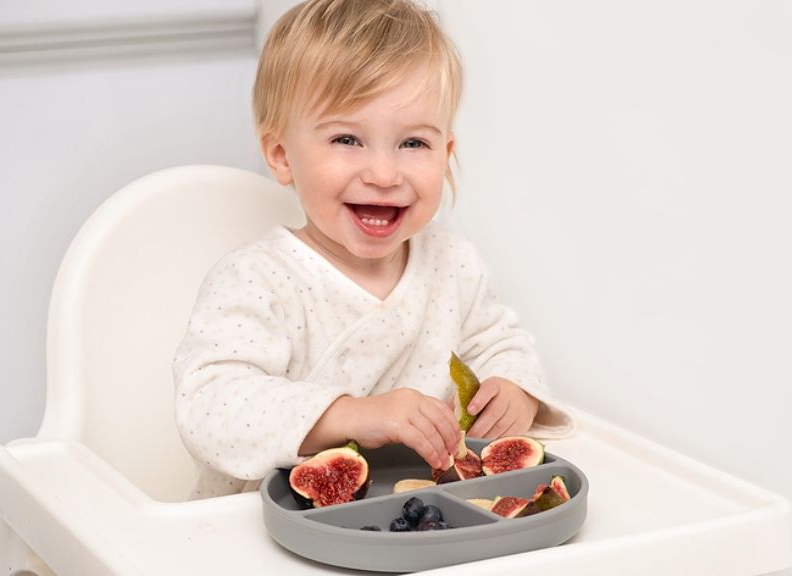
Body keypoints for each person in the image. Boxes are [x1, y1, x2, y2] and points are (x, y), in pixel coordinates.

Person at [172, 0, 574, 499]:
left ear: (446, 152)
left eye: (413, 144)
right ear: (281, 156)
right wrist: (352, 416)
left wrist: (514, 389)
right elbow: (211, 407)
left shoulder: (453, 264)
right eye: (347, 139)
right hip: (255, 530)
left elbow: (499, 343)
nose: (384, 175)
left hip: (416, 516)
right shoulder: (256, 279)